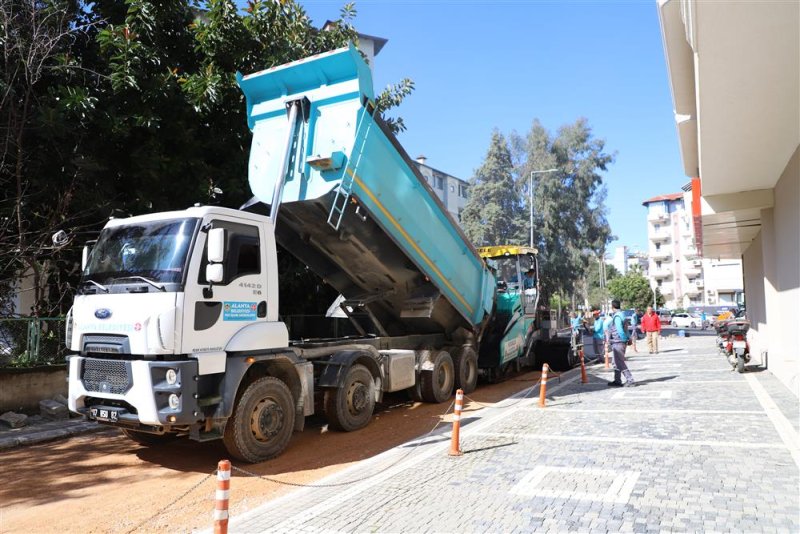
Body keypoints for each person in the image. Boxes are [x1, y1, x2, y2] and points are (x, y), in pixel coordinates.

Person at [605, 299, 634, 387]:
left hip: (618, 342)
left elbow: (620, 330)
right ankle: (617, 380)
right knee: (615, 362)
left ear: (612, 307)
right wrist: (628, 338)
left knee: (620, 362)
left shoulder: (617, 316)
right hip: (619, 342)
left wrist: (625, 339)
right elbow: (626, 329)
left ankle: (630, 380)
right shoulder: (622, 314)